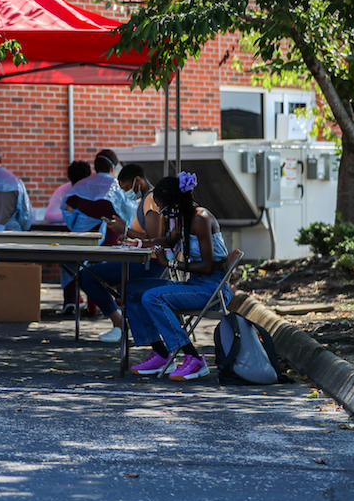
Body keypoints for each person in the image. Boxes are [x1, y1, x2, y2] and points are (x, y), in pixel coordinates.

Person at [124, 172, 232, 381]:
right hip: (194, 284)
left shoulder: (200, 219)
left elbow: (208, 266)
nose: (159, 209)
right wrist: (138, 243)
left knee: (152, 297)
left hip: (211, 288)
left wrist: (170, 263)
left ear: (173, 201)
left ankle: (193, 357)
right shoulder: (184, 218)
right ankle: (162, 353)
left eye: (160, 204)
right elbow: (168, 240)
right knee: (132, 289)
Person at [80, 164, 165, 342]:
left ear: (138, 181)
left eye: (127, 188)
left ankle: (119, 324)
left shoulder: (151, 200)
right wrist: (126, 238)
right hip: (141, 260)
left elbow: (154, 239)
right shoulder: (146, 200)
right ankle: (120, 323)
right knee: (88, 275)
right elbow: (143, 236)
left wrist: (124, 230)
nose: (127, 193)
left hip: (149, 263)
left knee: (87, 277)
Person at [59, 150, 135, 312]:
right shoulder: (117, 186)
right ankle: (120, 300)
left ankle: (71, 299)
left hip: (83, 240)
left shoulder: (80, 186)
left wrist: (78, 226)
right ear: (113, 168)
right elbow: (130, 215)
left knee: (69, 263)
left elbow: (68, 210)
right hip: (113, 242)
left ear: (95, 166)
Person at [44, 161, 91, 225]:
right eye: (76, 185)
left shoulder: (93, 191)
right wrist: (70, 215)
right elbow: (48, 218)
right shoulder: (62, 191)